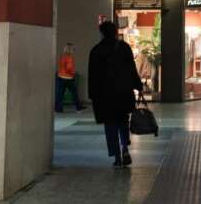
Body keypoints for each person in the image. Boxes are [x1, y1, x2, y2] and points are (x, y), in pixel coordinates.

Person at [88, 21, 143, 168]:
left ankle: (117, 157)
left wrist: (92, 95)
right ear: (115, 32)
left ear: (102, 33)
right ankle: (125, 148)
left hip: (104, 95)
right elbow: (132, 69)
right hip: (123, 93)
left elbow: (92, 75)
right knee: (123, 121)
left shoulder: (96, 50)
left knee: (110, 125)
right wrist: (138, 85)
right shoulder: (124, 48)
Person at [55, 43, 86, 113]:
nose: (74, 50)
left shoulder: (62, 56)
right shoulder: (69, 57)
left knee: (60, 94)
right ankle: (79, 107)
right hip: (68, 78)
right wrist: (73, 73)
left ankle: (58, 109)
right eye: (73, 49)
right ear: (70, 49)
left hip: (60, 77)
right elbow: (69, 68)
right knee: (74, 93)